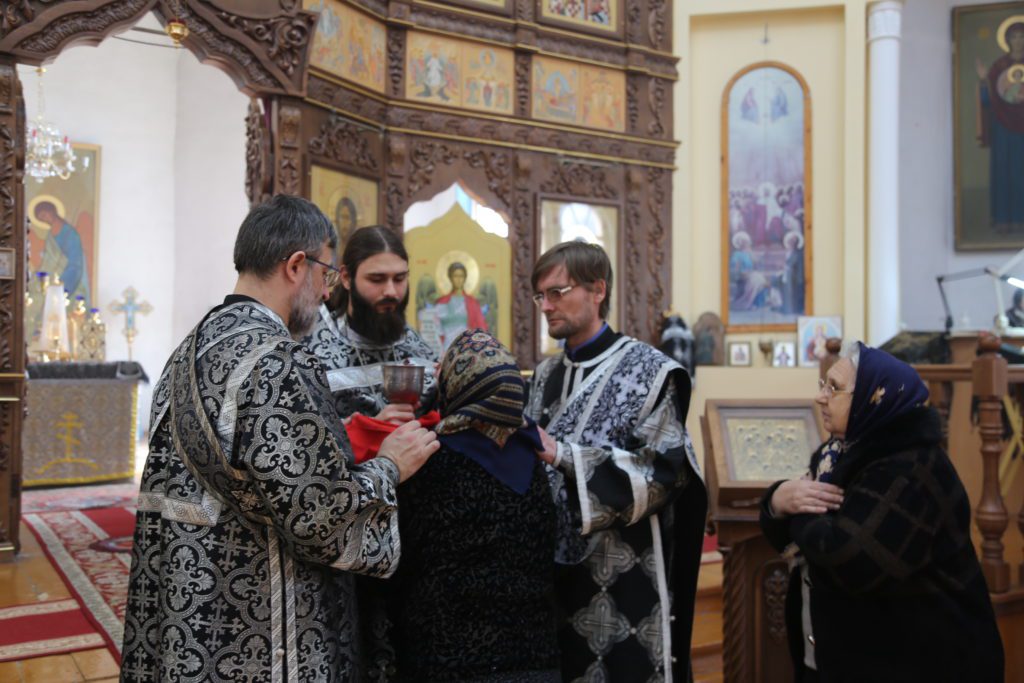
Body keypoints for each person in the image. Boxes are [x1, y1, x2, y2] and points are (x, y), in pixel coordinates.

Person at [121, 196, 439, 682]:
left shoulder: (191, 347)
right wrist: (390, 464)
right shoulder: (277, 362)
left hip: (191, 603)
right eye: (325, 274)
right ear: (295, 266)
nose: (326, 292)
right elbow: (323, 517)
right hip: (258, 621)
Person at [759, 342, 1004, 683]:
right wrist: (777, 500)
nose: (820, 397)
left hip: (925, 662)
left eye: (834, 388)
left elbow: (850, 562)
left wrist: (798, 509)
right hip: (845, 656)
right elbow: (795, 535)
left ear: (873, 398)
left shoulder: (912, 469)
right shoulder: (837, 452)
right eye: (823, 385)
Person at [526, 241, 707, 682]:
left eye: (557, 292)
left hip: (624, 577)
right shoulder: (544, 375)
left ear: (598, 290)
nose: (546, 306)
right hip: (550, 580)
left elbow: (664, 471)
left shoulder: (650, 371)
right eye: (540, 296)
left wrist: (564, 456)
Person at [383, 329, 560, 682]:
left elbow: (394, 560)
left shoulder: (428, 460)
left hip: (447, 664)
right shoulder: (536, 460)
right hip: (535, 660)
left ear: (454, 386)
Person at [301, 225, 438, 423]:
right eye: (377, 279)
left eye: (399, 279)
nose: (391, 291)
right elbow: (302, 431)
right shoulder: (311, 351)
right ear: (346, 278)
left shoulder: (417, 346)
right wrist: (371, 430)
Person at [975, 20, 1024, 233]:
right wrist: (984, 80)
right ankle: (1003, 219)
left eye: (1022, 36)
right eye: (1014, 37)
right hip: (1003, 126)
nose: (1018, 41)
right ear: (1007, 40)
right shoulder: (998, 67)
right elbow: (988, 100)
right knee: (1004, 172)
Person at [34, 200, 90, 303]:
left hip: (70, 281)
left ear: (52, 211)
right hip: (51, 278)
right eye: (41, 219)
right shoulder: (50, 236)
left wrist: (62, 287)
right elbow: (47, 260)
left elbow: (75, 265)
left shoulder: (70, 234)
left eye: (44, 215)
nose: (45, 220)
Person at [435, 261, 488, 349]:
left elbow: (481, 328)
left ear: (465, 278)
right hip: (445, 347)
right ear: (450, 277)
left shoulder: (472, 303)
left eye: (461, 276)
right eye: (455, 276)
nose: (459, 279)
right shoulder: (442, 302)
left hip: (465, 347)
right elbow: (435, 328)